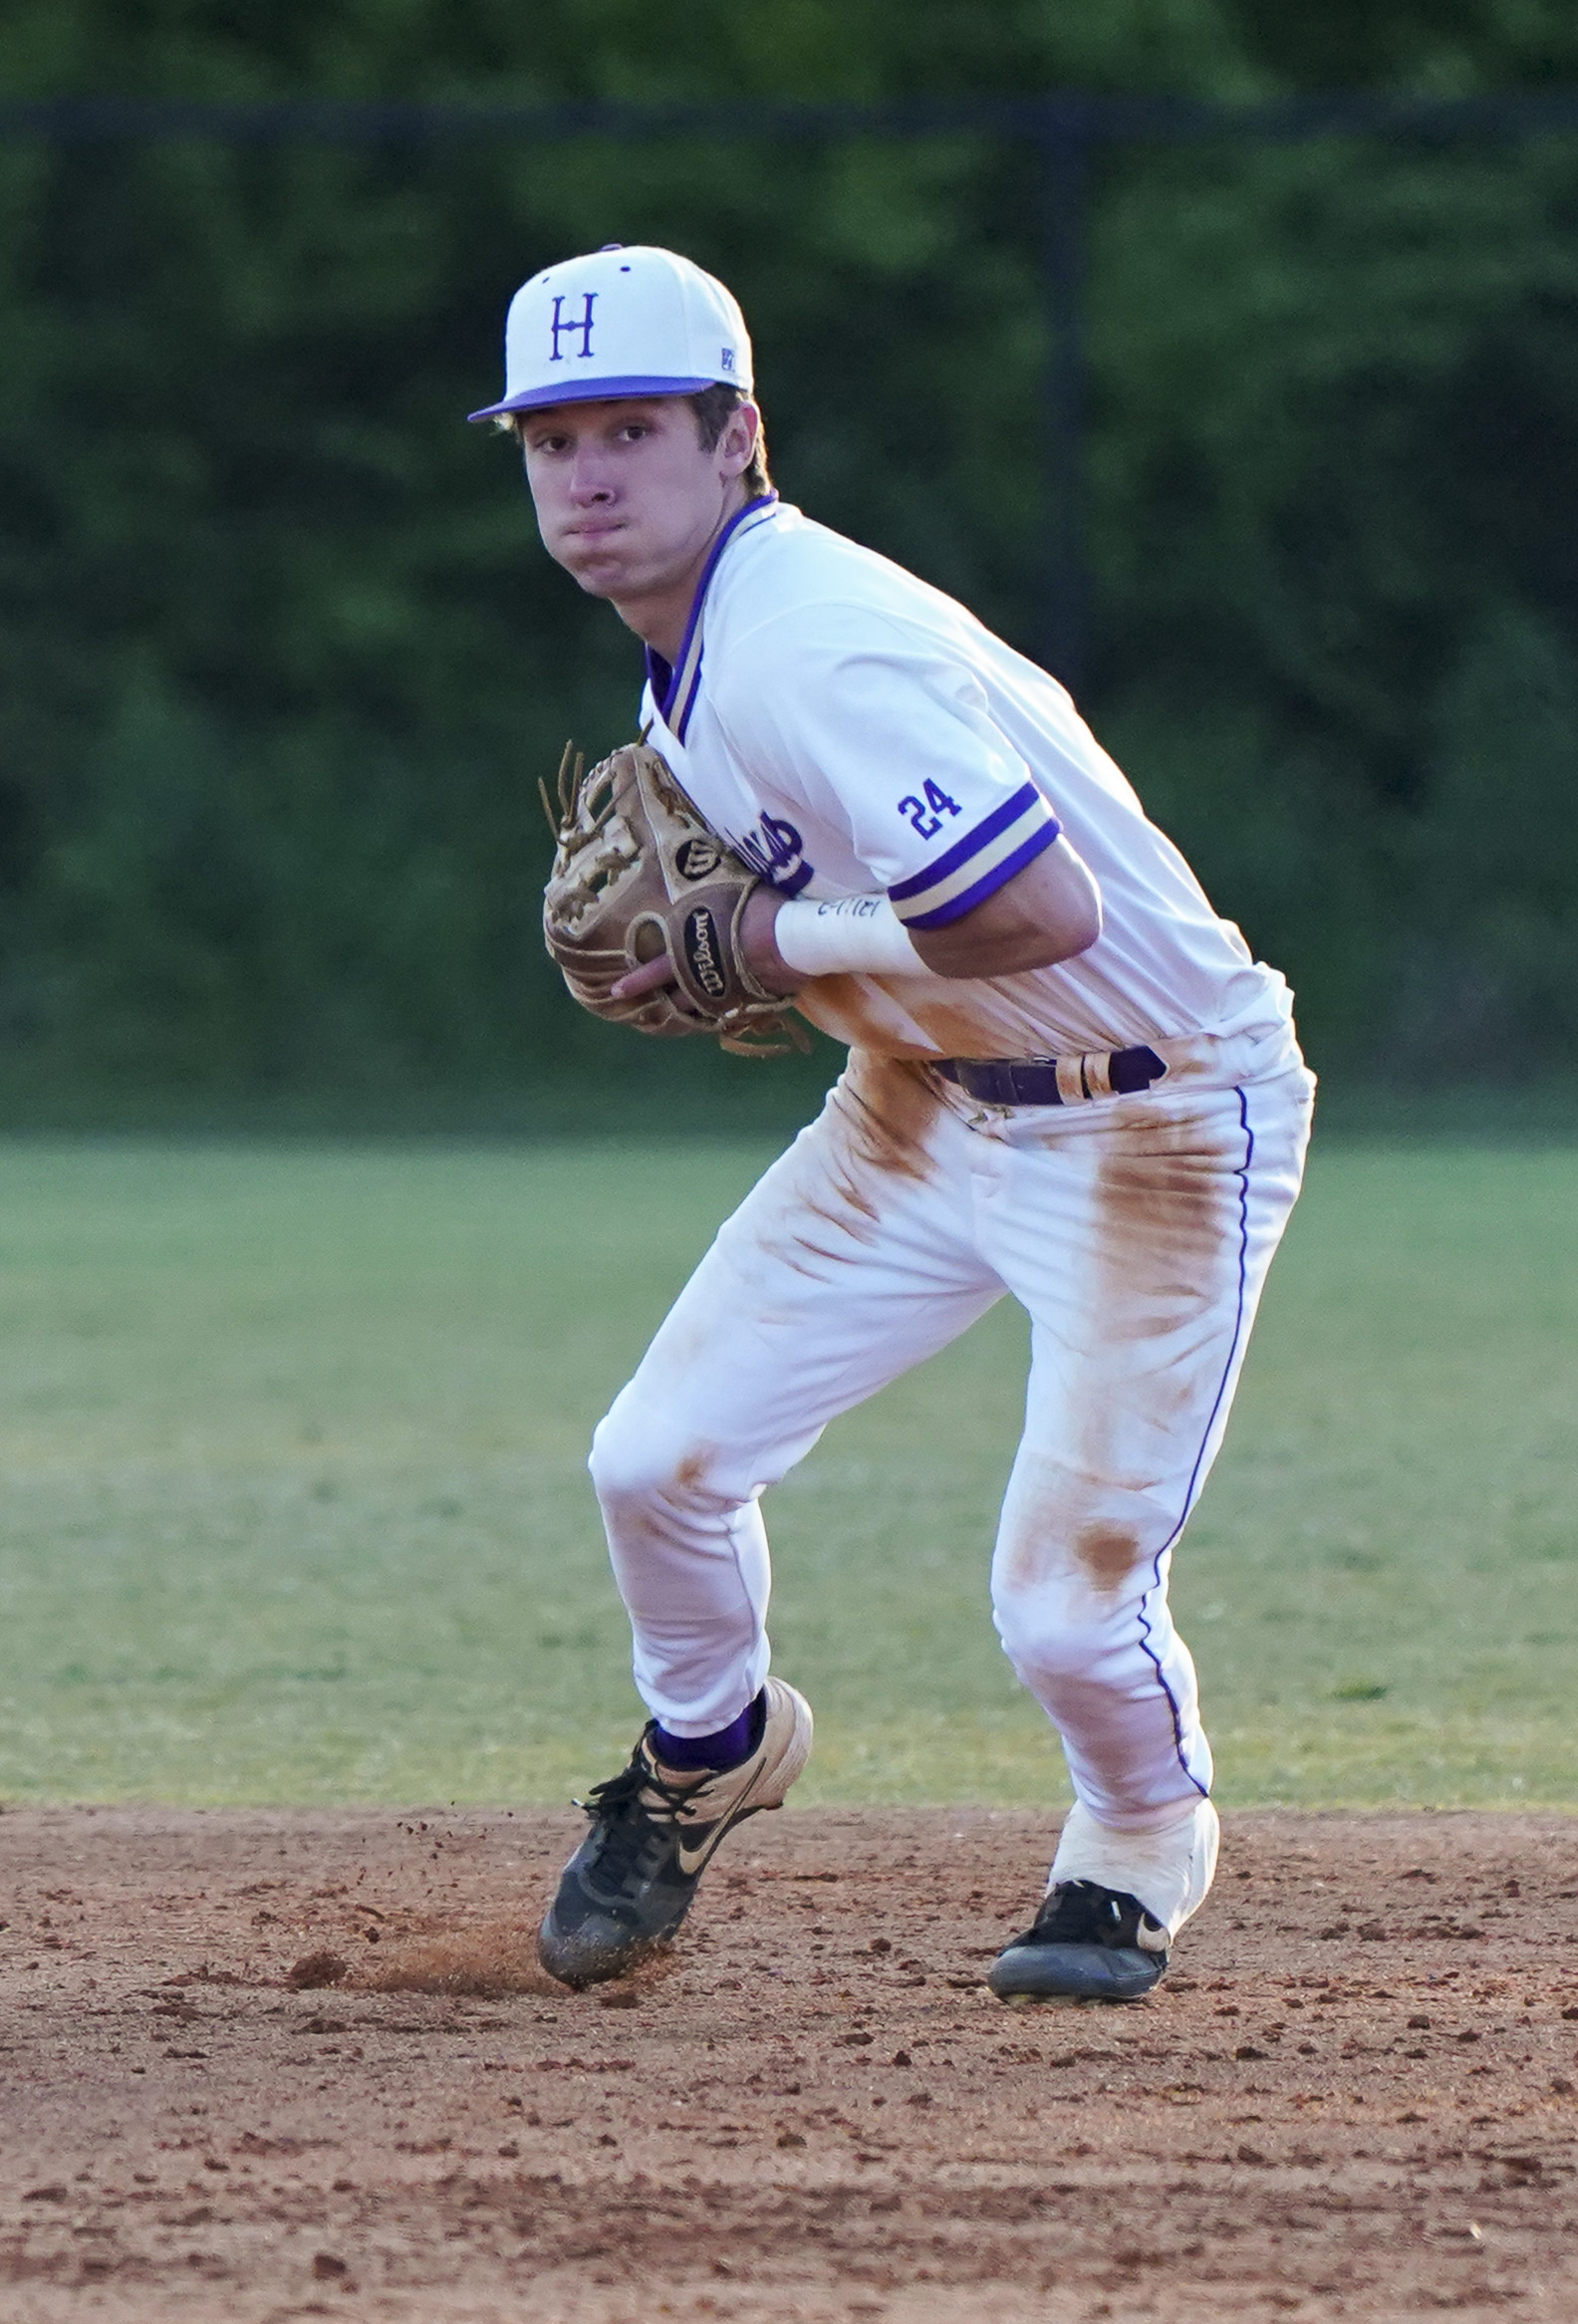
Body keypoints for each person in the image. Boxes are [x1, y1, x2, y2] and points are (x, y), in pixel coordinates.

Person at [469, 243, 1314, 2003]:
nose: (591, 477)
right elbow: (880, 925)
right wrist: (780, 977)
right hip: (928, 1104)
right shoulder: (684, 653)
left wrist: (767, 945)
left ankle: (1138, 1846)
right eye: (552, 442)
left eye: (633, 429)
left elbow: (1045, 916)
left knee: (1065, 1610)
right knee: (657, 1466)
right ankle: (709, 1752)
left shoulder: (806, 645)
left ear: (738, 441)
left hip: (1150, 1119)